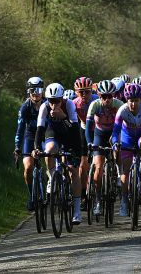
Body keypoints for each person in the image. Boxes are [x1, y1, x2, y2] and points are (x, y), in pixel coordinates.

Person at [33, 83, 83, 224]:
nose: (54, 104)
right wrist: (37, 148)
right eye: (51, 101)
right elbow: (40, 130)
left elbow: (75, 131)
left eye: (57, 101)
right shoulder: (44, 107)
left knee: (73, 170)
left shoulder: (69, 106)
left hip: (70, 137)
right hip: (53, 133)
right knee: (49, 151)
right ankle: (51, 177)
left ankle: (77, 211)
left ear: (62, 99)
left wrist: (63, 117)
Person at [112, 82, 141, 218]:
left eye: (136, 101)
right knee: (125, 172)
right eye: (131, 101)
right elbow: (115, 131)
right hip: (127, 137)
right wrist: (115, 143)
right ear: (127, 100)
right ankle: (124, 202)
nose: (133, 104)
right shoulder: (122, 110)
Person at [85, 79, 123, 217]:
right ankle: (98, 200)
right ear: (99, 96)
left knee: (117, 148)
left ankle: (119, 173)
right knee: (98, 167)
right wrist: (89, 143)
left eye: (109, 96)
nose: (107, 100)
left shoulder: (119, 104)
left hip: (114, 132)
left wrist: (120, 141)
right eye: (103, 96)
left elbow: (124, 126)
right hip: (99, 134)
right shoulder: (94, 105)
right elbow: (88, 128)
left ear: (114, 95)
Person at [14, 77, 44, 211]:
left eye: (38, 90)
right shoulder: (25, 107)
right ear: (28, 91)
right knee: (28, 168)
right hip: (30, 135)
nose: (35, 93)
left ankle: (52, 188)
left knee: (51, 158)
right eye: (32, 90)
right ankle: (32, 196)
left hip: (45, 134)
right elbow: (20, 129)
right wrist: (17, 147)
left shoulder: (48, 104)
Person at [73, 76, 96, 210]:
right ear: (76, 92)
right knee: (83, 164)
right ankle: (83, 196)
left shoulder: (97, 100)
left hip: (98, 129)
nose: (84, 95)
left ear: (91, 91)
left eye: (87, 91)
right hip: (83, 130)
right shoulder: (74, 103)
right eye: (80, 91)